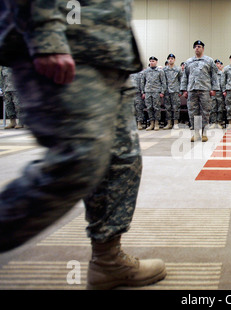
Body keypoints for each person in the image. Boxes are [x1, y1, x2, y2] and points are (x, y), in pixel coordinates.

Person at [0, 0, 166, 289]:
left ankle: (108, 260)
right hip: (67, 47)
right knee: (77, 161)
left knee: (121, 161)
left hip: (111, 55)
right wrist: (45, 33)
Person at [181, 40, 220, 142]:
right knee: (193, 112)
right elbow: (185, 76)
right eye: (195, 47)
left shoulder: (209, 60)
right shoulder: (189, 62)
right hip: (192, 90)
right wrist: (184, 90)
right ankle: (195, 133)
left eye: (199, 46)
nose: (197, 48)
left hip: (205, 90)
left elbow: (214, 76)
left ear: (203, 48)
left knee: (205, 111)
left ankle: (204, 133)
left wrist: (214, 89)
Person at [141, 56, 167, 131]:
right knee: (149, 108)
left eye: (153, 61)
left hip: (156, 92)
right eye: (151, 61)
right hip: (148, 92)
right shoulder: (146, 71)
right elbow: (143, 82)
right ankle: (151, 123)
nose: (152, 62)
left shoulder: (160, 71)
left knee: (156, 108)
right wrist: (143, 92)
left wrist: (162, 92)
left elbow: (163, 82)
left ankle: (156, 123)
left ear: (156, 62)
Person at [163, 54, 182, 130]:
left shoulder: (178, 69)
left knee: (176, 107)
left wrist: (180, 91)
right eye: (169, 59)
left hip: (175, 91)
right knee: (167, 107)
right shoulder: (164, 70)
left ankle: (176, 123)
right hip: (167, 91)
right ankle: (169, 123)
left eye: (172, 58)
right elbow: (163, 81)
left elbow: (181, 80)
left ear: (174, 60)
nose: (170, 60)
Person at [210, 59, 225, 129]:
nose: (217, 65)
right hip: (212, 93)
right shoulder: (211, 74)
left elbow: (223, 84)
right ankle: (213, 122)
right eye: (215, 63)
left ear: (220, 65)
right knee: (213, 108)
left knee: (220, 109)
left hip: (220, 93)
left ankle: (219, 122)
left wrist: (224, 91)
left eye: (218, 63)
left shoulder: (222, 74)